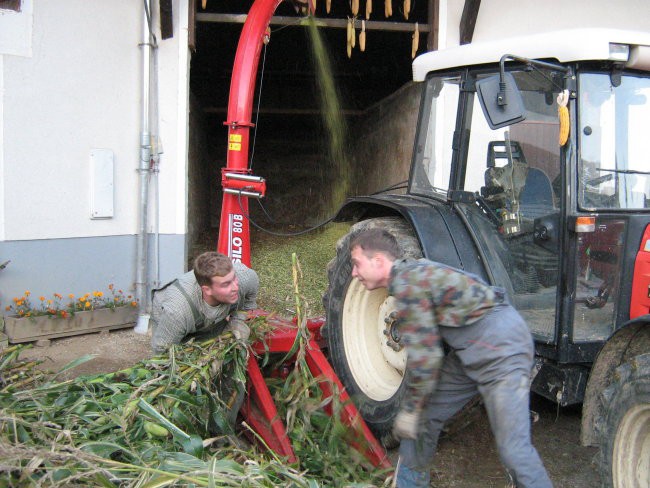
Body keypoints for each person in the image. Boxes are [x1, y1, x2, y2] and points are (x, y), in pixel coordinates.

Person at [349, 228, 552, 488]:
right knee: (422, 419)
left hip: (501, 346)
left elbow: (426, 357)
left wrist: (409, 409)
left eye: (357, 264)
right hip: (471, 347)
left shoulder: (408, 284)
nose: (354, 273)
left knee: (514, 449)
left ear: (378, 262)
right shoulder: (408, 278)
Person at [151, 251, 259, 354]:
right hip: (169, 311)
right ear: (207, 289)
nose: (235, 287)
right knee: (183, 351)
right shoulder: (177, 312)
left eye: (234, 278)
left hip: (206, 311)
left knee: (214, 345)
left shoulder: (245, 277)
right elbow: (161, 352)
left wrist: (238, 319)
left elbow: (249, 298)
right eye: (226, 284)